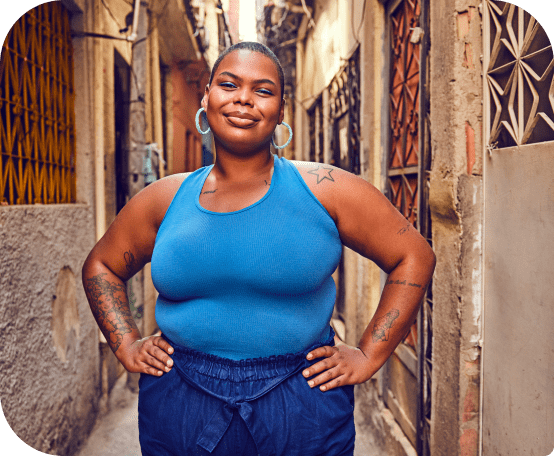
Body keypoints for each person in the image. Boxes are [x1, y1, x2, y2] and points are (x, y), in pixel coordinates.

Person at [82, 41, 435, 456]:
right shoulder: (164, 198)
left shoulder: (327, 190)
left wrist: (370, 354)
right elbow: (101, 265)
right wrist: (125, 343)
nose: (243, 98)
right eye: (228, 84)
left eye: (263, 90)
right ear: (207, 97)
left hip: (301, 401)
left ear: (281, 110)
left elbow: (414, 255)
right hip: (181, 398)